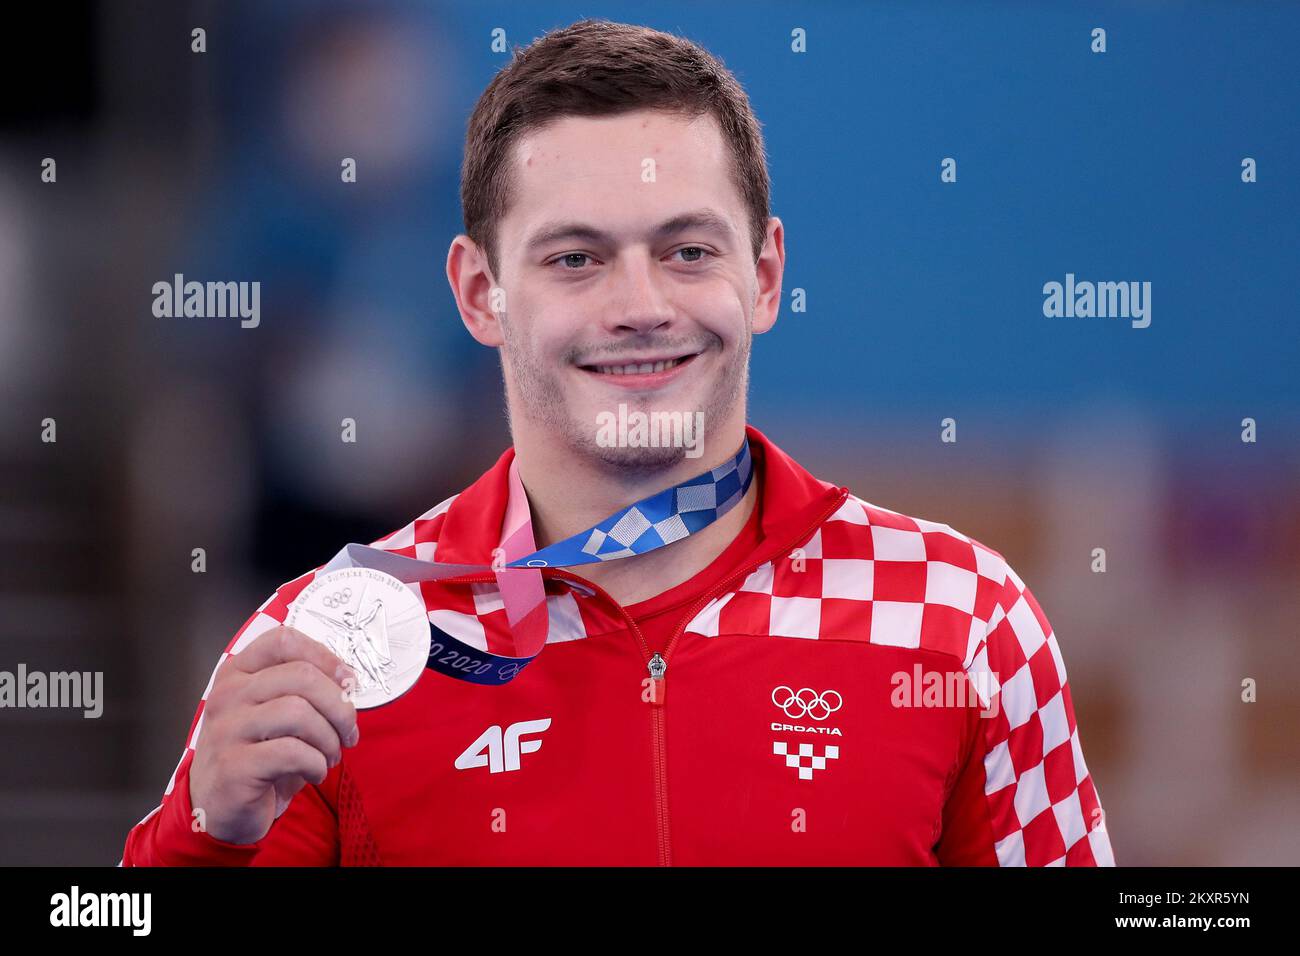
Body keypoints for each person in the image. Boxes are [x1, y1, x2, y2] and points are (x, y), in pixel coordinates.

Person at [121, 19, 1114, 866]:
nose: (640, 307)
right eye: (575, 257)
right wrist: (202, 837)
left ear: (765, 276)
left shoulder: (960, 621)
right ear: (480, 293)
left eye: (687, 250)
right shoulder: (328, 644)